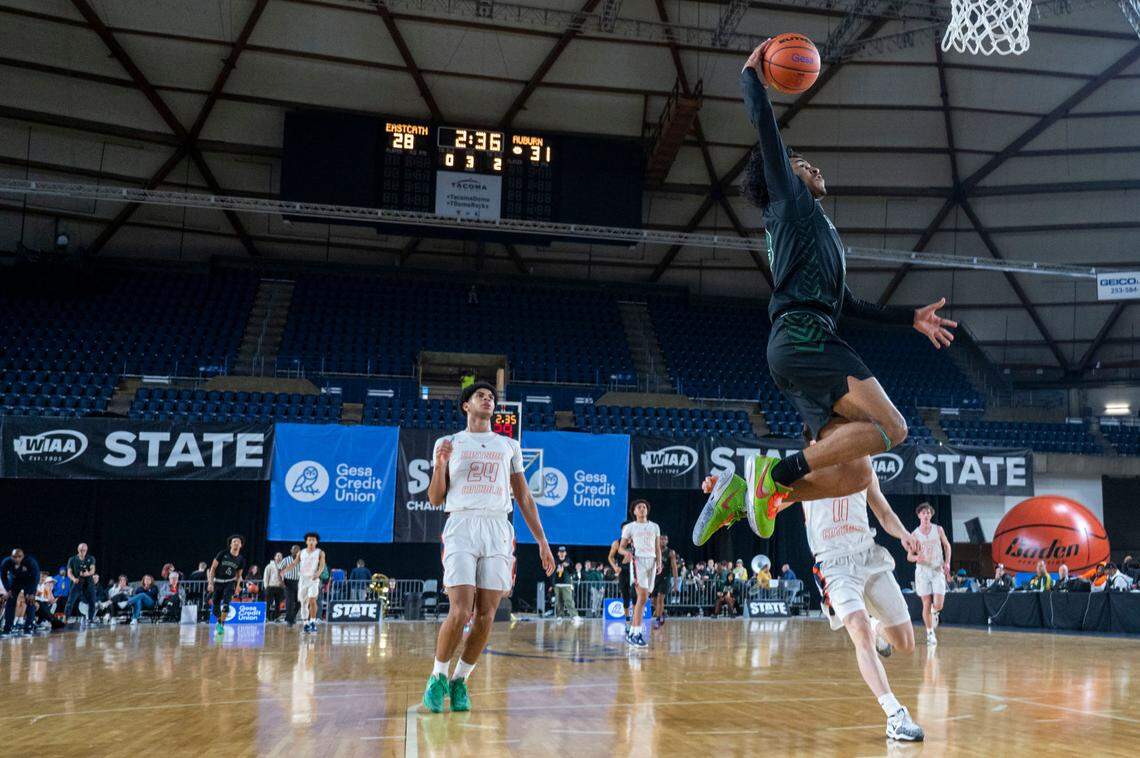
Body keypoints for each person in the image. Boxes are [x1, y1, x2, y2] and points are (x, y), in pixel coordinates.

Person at [693, 44, 956, 547]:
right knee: (894, 427)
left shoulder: (814, 229)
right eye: (801, 163)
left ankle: (751, 493)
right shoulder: (788, 202)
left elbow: (852, 307)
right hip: (803, 336)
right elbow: (767, 133)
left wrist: (910, 318)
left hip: (799, 342)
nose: (811, 167)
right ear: (785, 177)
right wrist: (753, 78)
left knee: (855, 475)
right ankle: (774, 474)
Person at [421, 382, 555, 714]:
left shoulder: (509, 445)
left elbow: (523, 497)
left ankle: (460, 681)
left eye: (491, 397)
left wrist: (542, 540)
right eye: (481, 396)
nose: (488, 399)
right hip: (462, 524)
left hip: (498, 526)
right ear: (466, 405)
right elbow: (436, 498)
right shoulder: (448, 443)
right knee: (460, 609)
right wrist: (440, 466)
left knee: (486, 615)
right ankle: (438, 677)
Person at [907, 503, 951, 647]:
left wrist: (947, 562)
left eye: (928, 513)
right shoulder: (914, 534)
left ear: (931, 515)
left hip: (937, 569)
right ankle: (930, 633)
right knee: (926, 602)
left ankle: (934, 612)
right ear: (919, 515)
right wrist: (915, 558)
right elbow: (909, 556)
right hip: (922, 572)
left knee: (938, 604)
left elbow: (947, 546)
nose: (926, 515)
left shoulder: (938, 530)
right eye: (923, 513)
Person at [618, 499, 661, 648]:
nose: (642, 509)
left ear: (647, 510)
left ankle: (632, 633)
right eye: (639, 507)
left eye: (644, 507)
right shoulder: (630, 527)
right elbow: (620, 548)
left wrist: (659, 562)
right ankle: (635, 633)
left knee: (644, 599)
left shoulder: (655, 526)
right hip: (638, 561)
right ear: (634, 511)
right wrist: (628, 554)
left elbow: (658, 548)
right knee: (641, 598)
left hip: (652, 561)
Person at [279, 533, 326, 634]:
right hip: (303, 579)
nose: (311, 541)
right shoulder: (301, 552)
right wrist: (285, 570)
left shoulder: (320, 552)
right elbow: (294, 563)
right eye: (309, 540)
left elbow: (322, 565)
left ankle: (313, 622)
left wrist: (318, 573)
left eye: (313, 540)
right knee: (303, 603)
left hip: (313, 579)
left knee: (312, 600)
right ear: (306, 541)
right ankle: (305, 624)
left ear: (316, 542)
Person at [207, 535, 247, 635]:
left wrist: (237, 586)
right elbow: (212, 568)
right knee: (215, 605)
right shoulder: (222, 553)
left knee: (226, 605)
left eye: (238, 542)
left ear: (241, 545)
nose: (236, 543)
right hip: (218, 582)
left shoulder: (241, 559)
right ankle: (219, 620)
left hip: (229, 583)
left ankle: (221, 625)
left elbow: (239, 575)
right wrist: (210, 583)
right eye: (234, 541)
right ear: (230, 544)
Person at [1, 549, 40, 635]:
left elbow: (36, 577)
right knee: (10, 602)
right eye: (14, 557)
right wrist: (8, 590)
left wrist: (31, 593)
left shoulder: (30, 562)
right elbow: (3, 577)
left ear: (23, 556)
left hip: (28, 581)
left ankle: (28, 627)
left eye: (19, 557)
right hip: (15, 582)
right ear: (11, 557)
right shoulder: (6, 562)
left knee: (30, 602)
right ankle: (7, 628)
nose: (17, 559)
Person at [65, 542, 98, 624]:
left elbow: (93, 569)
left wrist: (88, 573)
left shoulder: (91, 558)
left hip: (88, 583)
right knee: (70, 601)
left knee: (92, 601)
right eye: (81, 550)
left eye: (84, 550)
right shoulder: (72, 559)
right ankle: (66, 617)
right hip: (77, 582)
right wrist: (73, 579)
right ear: (78, 550)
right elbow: (69, 572)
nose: (83, 552)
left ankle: (90, 619)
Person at [650, 535, 677, 629]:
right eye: (661, 539)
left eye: (665, 539)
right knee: (653, 601)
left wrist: (675, 584)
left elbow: (674, 568)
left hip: (665, 578)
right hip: (655, 578)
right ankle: (662, 613)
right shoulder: (654, 550)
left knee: (660, 599)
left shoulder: (670, 553)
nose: (663, 541)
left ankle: (657, 620)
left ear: (667, 541)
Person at [609, 530, 634, 622]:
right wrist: (615, 567)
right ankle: (627, 619)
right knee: (626, 596)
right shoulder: (617, 543)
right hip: (623, 572)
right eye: (625, 530)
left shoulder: (635, 541)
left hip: (634, 571)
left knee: (636, 594)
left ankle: (635, 618)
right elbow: (610, 557)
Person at [551, 546, 579, 621]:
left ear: (565, 553)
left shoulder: (568, 561)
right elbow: (552, 573)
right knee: (558, 601)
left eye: (563, 552)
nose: (562, 554)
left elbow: (572, 572)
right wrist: (552, 584)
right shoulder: (554, 561)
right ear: (558, 553)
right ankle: (560, 615)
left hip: (566, 584)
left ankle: (574, 615)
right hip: (557, 584)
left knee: (568, 600)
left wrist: (568, 566)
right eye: (560, 552)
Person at [280, 545, 302, 626]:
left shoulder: (302, 560)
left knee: (299, 602)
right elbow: (279, 570)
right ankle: (289, 621)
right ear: (291, 550)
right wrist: (281, 582)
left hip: (298, 582)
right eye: (295, 549)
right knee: (289, 601)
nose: (296, 551)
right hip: (288, 582)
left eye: (298, 550)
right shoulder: (286, 560)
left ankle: (291, 617)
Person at [263, 553, 285, 621]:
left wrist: (284, 586)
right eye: (277, 556)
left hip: (279, 587)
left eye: (280, 556)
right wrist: (266, 586)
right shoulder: (269, 566)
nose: (279, 557)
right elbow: (266, 576)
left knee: (278, 603)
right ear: (275, 557)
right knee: (268, 603)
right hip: (271, 587)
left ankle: (276, 617)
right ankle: (266, 617)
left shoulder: (283, 566)